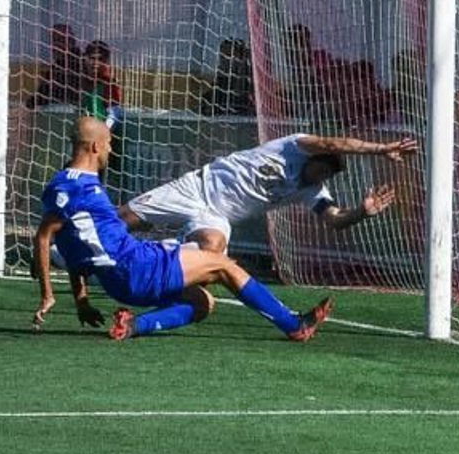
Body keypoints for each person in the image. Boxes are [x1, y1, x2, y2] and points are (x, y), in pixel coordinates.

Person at [31, 116, 332, 342]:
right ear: (96, 146)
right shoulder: (82, 189)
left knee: (202, 303)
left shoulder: (63, 184)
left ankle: (133, 325)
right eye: (109, 143)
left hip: (119, 281)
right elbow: (45, 236)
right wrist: (48, 294)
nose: (111, 149)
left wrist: (82, 301)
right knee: (223, 265)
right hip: (135, 267)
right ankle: (296, 326)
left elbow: (73, 245)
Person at [120, 132, 419, 255]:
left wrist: (361, 212)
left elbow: (334, 219)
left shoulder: (311, 189)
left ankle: (154, 252)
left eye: (328, 176)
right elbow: (330, 144)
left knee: (211, 252)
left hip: (217, 217)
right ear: (314, 158)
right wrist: (381, 149)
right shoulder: (294, 145)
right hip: (196, 189)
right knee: (122, 219)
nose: (322, 177)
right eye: (323, 170)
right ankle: (78, 244)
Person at [201, 38, 255, 116]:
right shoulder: (221, 80)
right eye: (222, 56)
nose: (224, 60)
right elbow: (207, 104)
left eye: (229, 56)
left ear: (241, 58)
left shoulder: (249, 80)